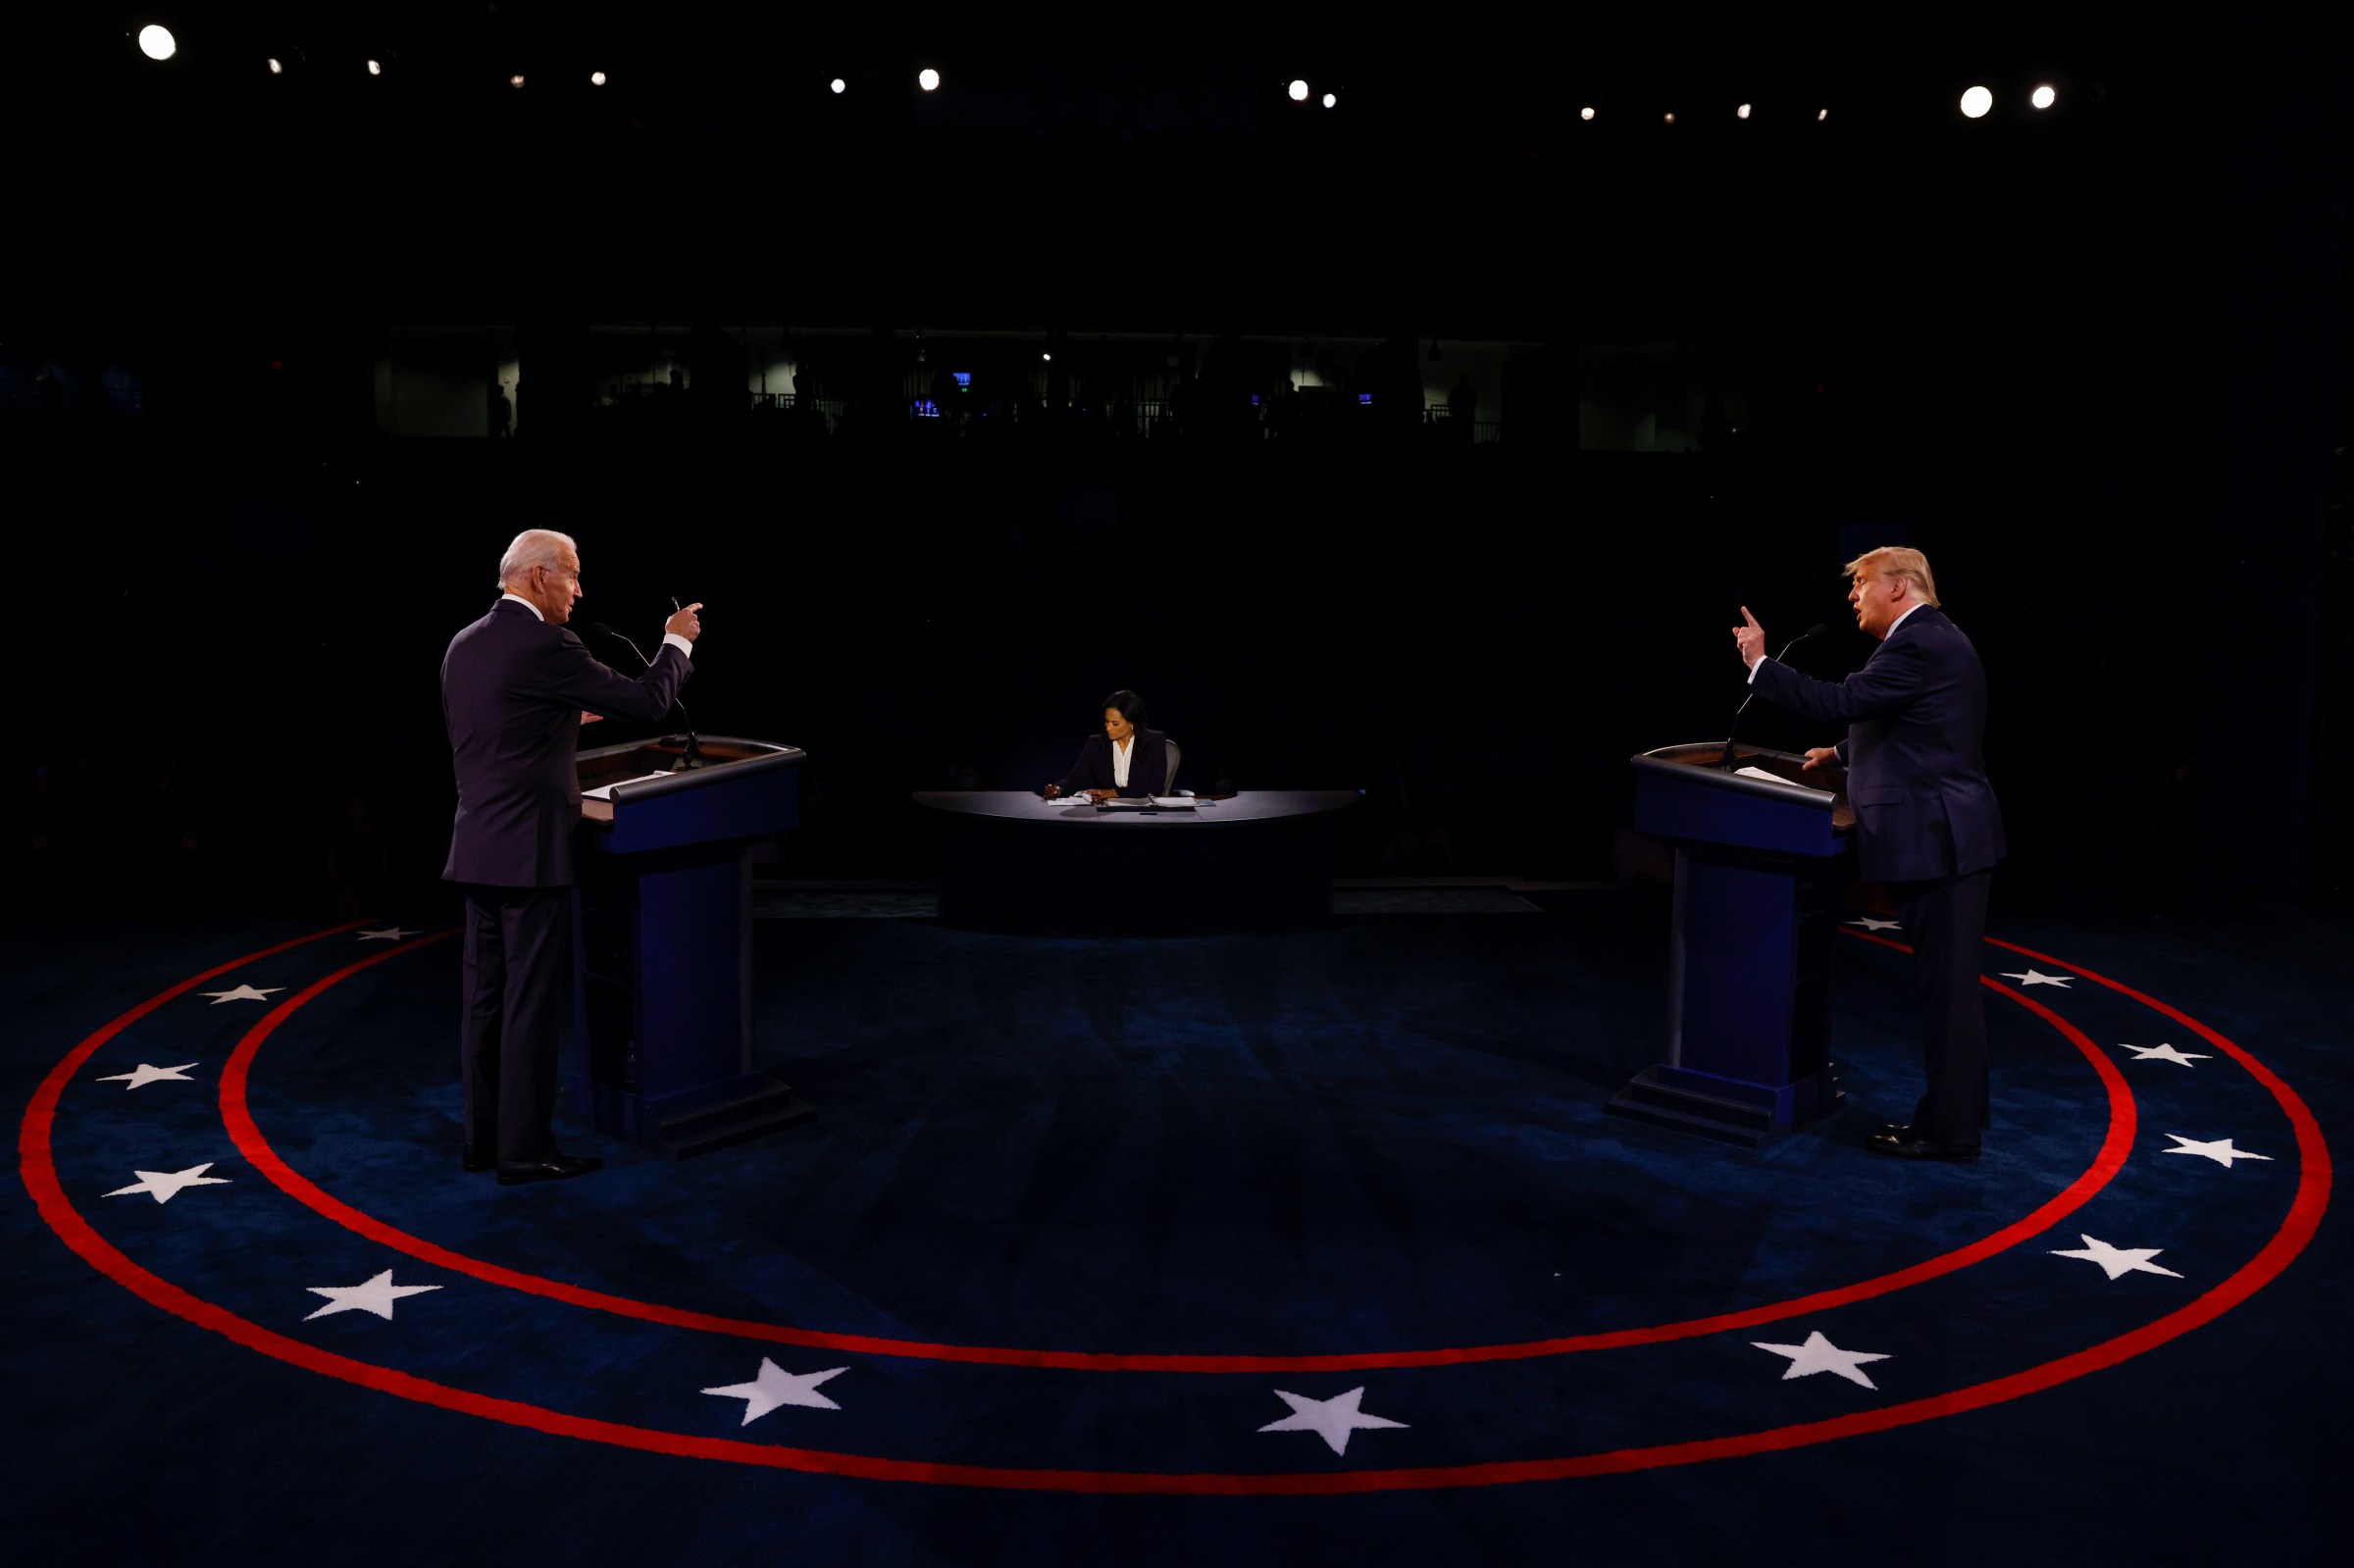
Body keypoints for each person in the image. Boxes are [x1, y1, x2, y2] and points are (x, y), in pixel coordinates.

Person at [441, 528, 703, 1185]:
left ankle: (484, 1141)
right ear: (537, 576)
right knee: (529, 1005)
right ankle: (525, 1152)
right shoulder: (548, 643)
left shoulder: (464, 643)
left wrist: (560, 717)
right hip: (530, 853)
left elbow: (496, 727)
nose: (579, 591)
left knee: (485, 1002)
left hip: (477, 848)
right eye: (572, 576)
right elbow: (650, 701)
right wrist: (676, 640)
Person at [1732, 546, 2005, 1162]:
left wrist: (1760, 665)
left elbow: (1843, 701)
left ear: (1901, 587)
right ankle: (1954, 1118)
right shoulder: (1932, 641)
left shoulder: (1918, 643)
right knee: (1949, 992)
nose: (1853, 594)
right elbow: (1921, 726)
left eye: (1861, 583)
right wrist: (1842, 753)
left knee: (1948, 995)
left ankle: (1949, 1133)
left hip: (1942, 843)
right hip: (1947, 839)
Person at [1042, 689, 1171, 801]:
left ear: (1132, 722)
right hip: (1107, 814)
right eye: (1106, 722)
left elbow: (1156, 787)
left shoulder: (1154, 741)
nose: (1108, 728)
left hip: (1142, 813)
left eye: (1115, 723)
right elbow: (1076, 780)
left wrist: (1116, 792)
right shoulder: (1096, 744)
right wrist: (1058, 789)